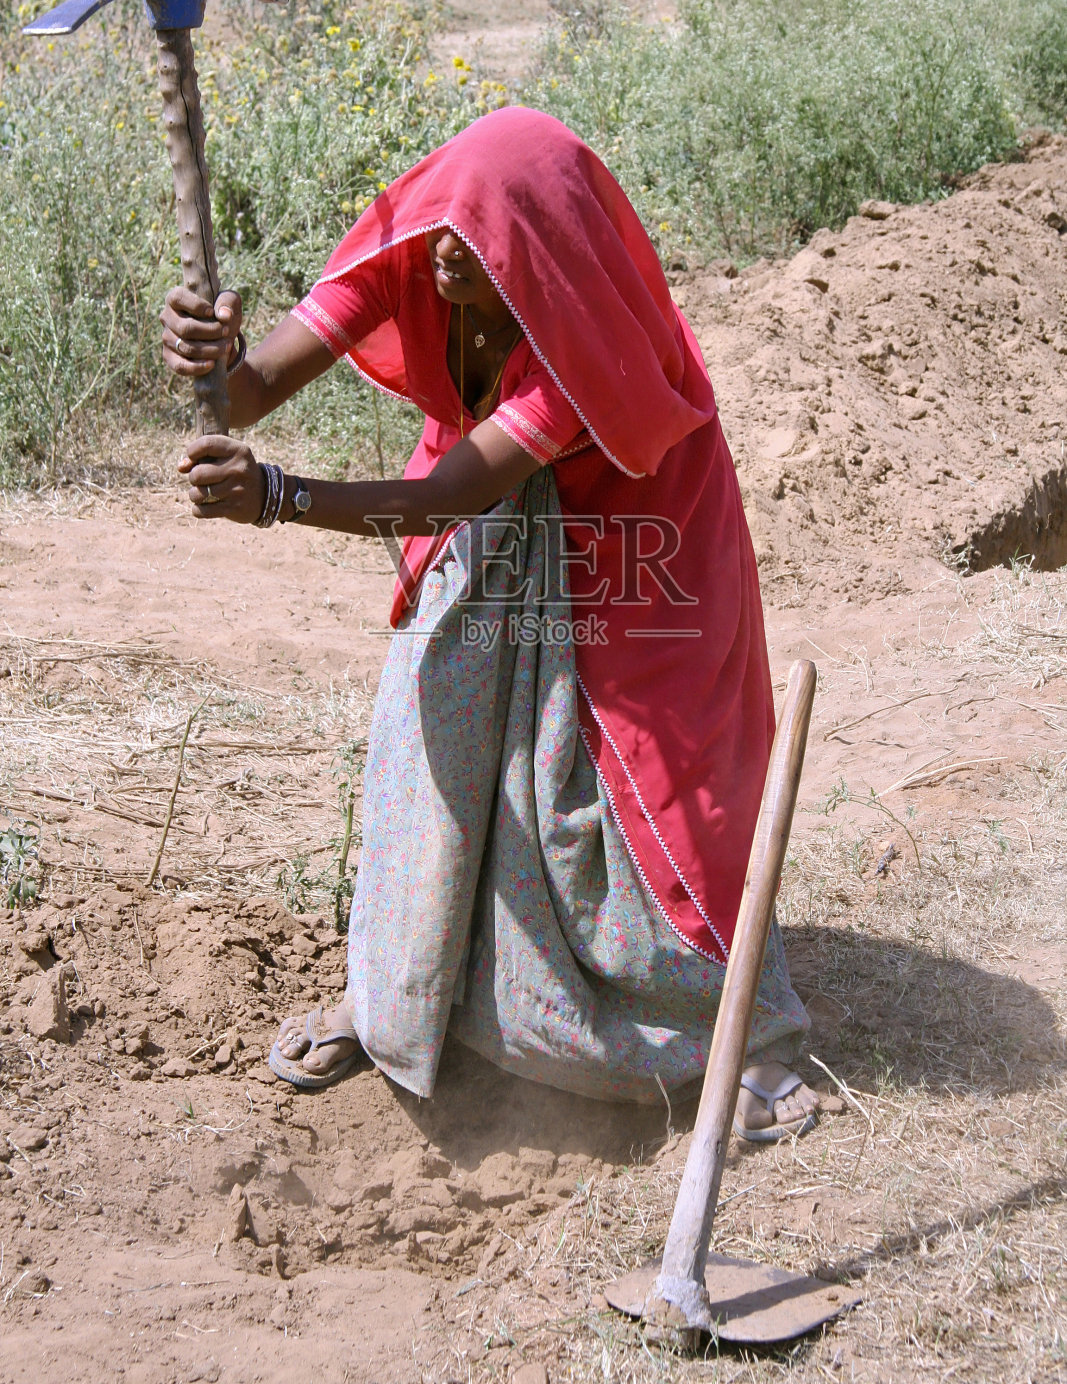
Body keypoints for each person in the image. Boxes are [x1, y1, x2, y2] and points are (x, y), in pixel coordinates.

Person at [160, 106, 821, 1141]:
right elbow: (248, 394)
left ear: (538, 255)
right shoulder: (413, 255)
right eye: (445, 229)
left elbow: (446, 497)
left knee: (641, 786)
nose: (449, 255)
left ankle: (726, 1030)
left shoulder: (582, 338)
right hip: (490, 518)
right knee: (431, 735)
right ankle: (399, 996)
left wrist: (277, 496)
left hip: (630, 536)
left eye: (482, 243)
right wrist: (215, 357)